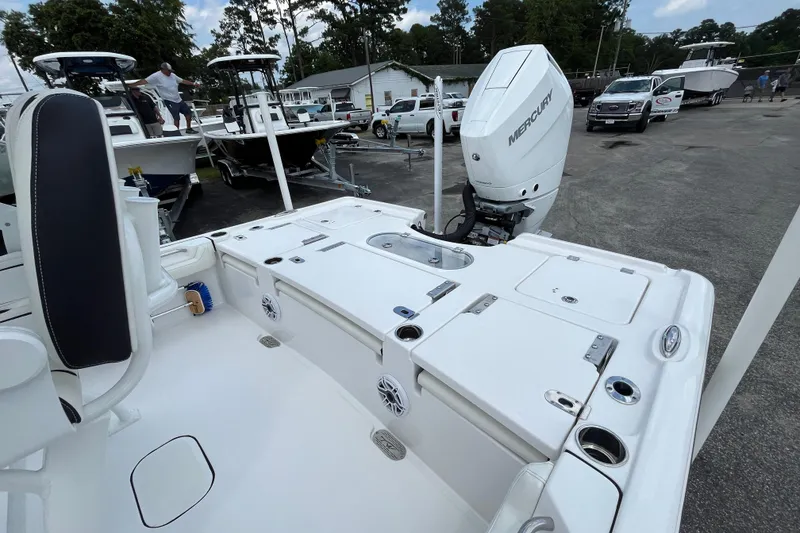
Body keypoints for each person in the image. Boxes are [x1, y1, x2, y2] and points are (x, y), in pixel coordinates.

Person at [131, 62, 201, 133]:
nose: (170, 72)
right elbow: (144, 81)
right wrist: (132, 85)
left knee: (188, 113)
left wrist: (193, 84)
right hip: (169, 100)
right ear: (163, 70)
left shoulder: (173, 75)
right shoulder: (156, 76)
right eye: (168, 71)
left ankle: (188, 129)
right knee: (176, 118)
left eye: (171, 71)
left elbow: (182, 81)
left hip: (178, 99)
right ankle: (176, 132)